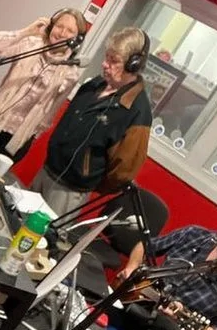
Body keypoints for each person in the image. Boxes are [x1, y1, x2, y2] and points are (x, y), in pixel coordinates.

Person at [34, 27, 152, 217]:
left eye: (114, 61)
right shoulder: (94, 84)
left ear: (133, 65)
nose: (105, 64)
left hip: (71, 191)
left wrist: (87, 179)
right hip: (46, 170)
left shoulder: (137, 111)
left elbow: (123, 171)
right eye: (107, 57)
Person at [0, 9, 87, 162]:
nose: (62, 33)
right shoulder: (31, 44)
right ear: (51, 26)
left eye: (70, 31)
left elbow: (51, 112)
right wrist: (26, 31)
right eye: (59, 26)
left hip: (17, 139)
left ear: (77, 39)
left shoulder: (70, 72)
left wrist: (33, 133)